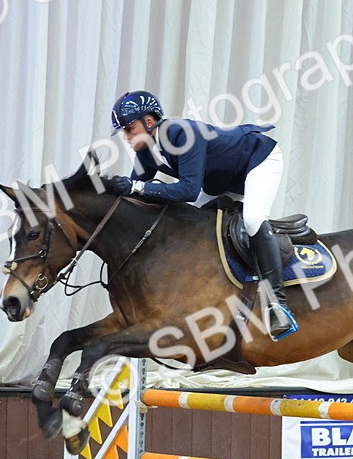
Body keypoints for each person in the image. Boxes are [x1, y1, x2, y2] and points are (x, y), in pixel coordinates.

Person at [101, 90, 297, 340]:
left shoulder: (182, 133)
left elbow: (189, 190)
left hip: (257, 160)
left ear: (149, 122)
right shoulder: (146, 151)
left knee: (253, 219)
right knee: (192, 228)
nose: (126, 137)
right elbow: (132, 193)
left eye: (129, 129)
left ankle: (277, 305)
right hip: (221, 182)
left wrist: (138, 187)